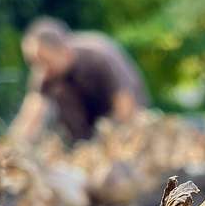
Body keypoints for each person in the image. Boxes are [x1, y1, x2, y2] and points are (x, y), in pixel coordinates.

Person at [9, 17, 149, 143]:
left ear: (64, 51)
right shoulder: (44, 72)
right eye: (33, 63)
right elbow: (32, 113)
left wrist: (109, 142)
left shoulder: (97, 57)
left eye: (45, 62)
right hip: (88, 130)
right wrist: (12, 144)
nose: (40, 70)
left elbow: (125, 107)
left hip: (126, 118)